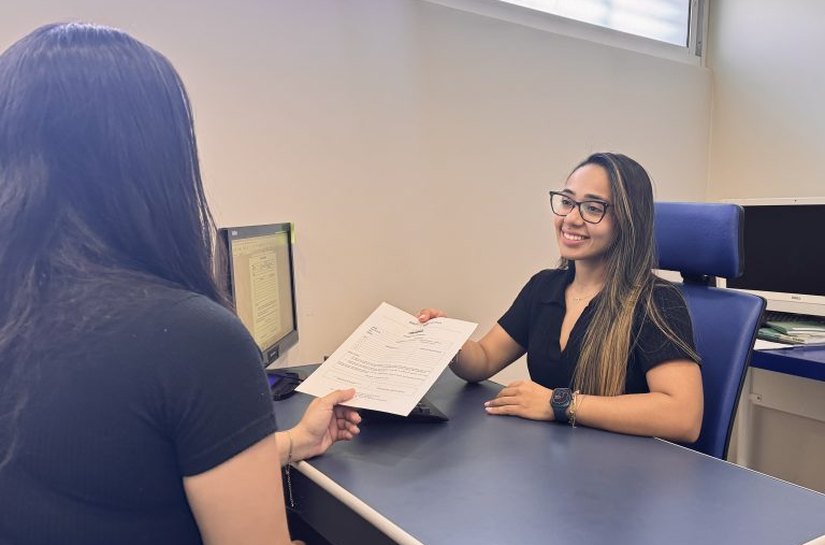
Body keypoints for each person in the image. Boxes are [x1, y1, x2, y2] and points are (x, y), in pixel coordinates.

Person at [0, 22, 359, 545]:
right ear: (159, 163)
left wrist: (291, 442)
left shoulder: (20, 314)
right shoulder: (192, 339)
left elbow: (118, 479)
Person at [418, 152, 703, 443]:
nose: (571, 218)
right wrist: (449, 342)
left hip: (620, 474)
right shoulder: (544, 287)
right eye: (567, 202)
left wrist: (558, 403)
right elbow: (485, 359)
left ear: (628, 221)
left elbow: (683, 416)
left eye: (592, 208)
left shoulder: (657, 301)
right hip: (551, 463)